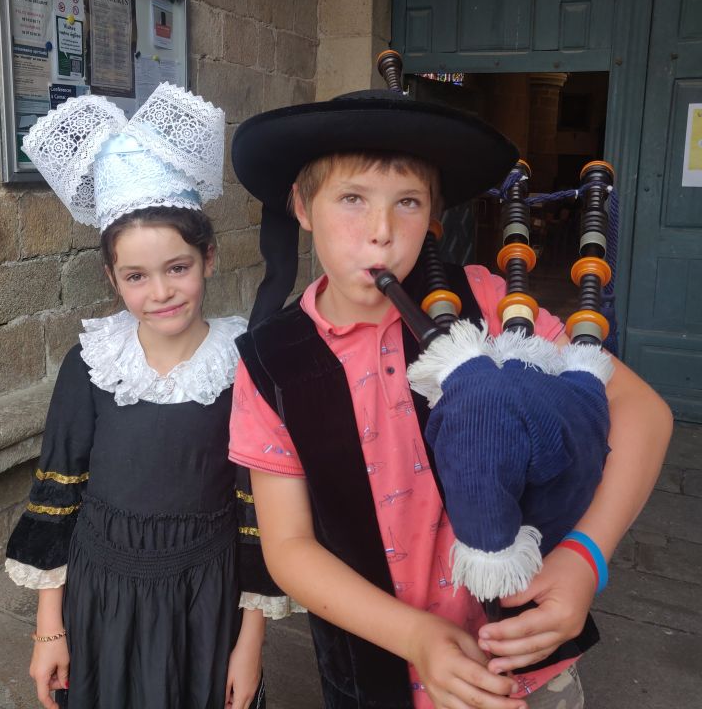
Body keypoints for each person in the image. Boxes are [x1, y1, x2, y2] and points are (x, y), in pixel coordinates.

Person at [226, 87, 673, 709]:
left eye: (406, 203)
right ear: (301, 205)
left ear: (433, 214)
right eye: (352, 199)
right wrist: (417, 636)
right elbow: (290, 548)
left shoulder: (489, 306)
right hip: (377, 669)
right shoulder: (270, 361)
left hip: (522, 661)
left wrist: (584, 557)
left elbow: (643, 411)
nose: (381, 235)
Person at [5, 84, 296, 709]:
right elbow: (57, 497)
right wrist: (49, 629)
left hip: (207, 600)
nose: (160, 291)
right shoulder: (91, 366)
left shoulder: (244, 365)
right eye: (136, 276)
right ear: (112, 278)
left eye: (178, 267)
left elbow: (259, 513)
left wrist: (251, 642)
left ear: (209, 258)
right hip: (102, 597)